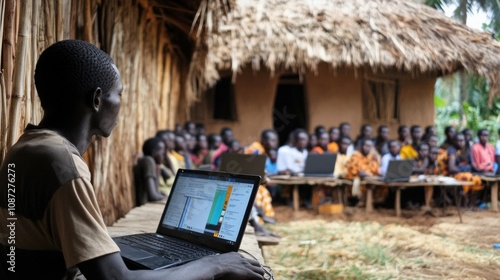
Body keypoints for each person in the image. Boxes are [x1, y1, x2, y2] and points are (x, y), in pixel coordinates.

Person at [0, 40, 264, 280]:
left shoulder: (24, 149)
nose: (120, 104)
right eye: (119, 94)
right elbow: (116, 279)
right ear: (97, 99)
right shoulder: (61, 165)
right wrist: (215, 265)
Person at [134, 138, 168, 205]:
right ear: (154, 152)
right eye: (163, 153)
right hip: (143, 206)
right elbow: (153, 196)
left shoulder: (153, 164)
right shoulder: (149, 161)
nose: (164, 156)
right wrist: (167, 197)